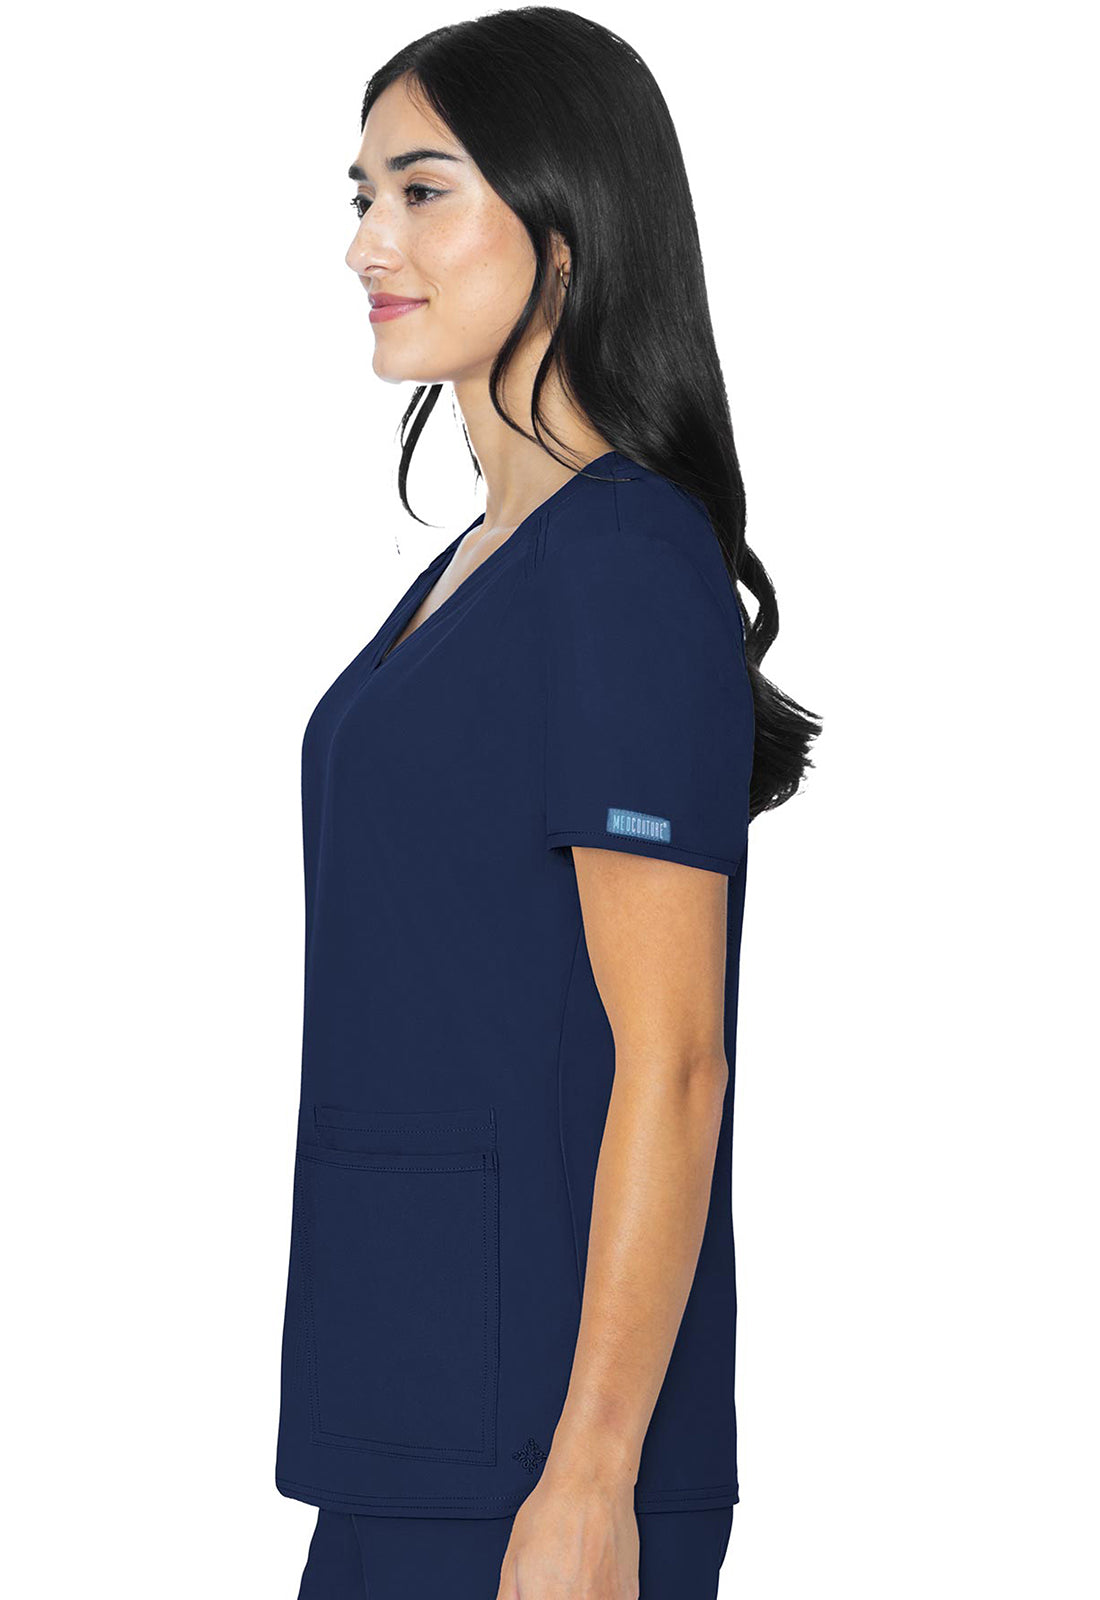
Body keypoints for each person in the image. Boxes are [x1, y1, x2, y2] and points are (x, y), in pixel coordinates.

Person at [276, 10, 821, 1597]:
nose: (368, 242)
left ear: (564, 232)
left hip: (540, 1448)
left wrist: (592, 1474)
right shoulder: (482, 564)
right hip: (412, 1409)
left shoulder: (624, 565)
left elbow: (676, 1057)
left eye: (421, 191)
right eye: (363, 195)